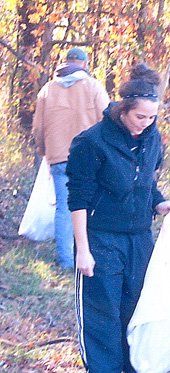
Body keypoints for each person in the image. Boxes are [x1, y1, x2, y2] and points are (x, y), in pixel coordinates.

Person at [66, 64, 170, 373]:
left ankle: (131, 368)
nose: (145, 122)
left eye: (152, 116)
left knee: (134, 309)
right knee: (103, 314)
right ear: (122, 109)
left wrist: (159, 201)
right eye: (140, 116)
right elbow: (78, 199)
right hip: (100, 238)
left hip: (139, 238)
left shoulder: (152, 137)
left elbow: (145, 179)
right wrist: (83, 249)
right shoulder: (91, 142)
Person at [32, 47, 110, 270]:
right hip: (90, 157)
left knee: (64, 208)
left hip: (58, 156)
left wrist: (43, 150)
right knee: (91, 205)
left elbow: (38, 127)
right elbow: (107, 121)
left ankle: (66, 260)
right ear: (85, 64)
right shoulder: (94, 87)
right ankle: (88, 255)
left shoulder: (47, 90)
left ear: (65, 63)